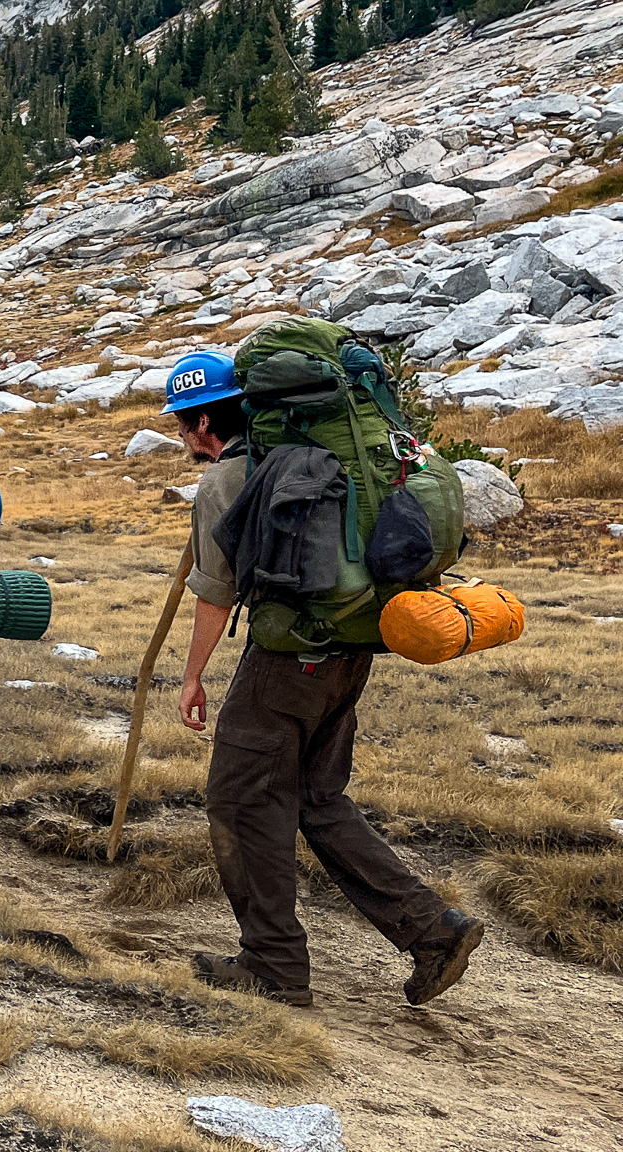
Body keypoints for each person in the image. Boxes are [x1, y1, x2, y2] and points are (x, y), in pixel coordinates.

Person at [169, 350, 483, 1008]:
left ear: (203, 422)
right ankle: (433, 931)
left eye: (181, 424)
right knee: (316, 799)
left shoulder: (232, 477)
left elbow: (214, 595)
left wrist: (193, 676)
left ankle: (272, 963)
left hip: (287, 662)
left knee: (240, 801)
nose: (181, 437)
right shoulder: (324, 457)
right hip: (351, 650)